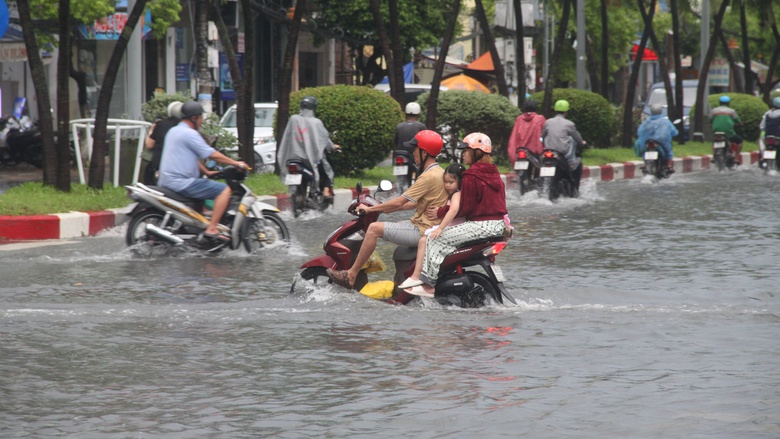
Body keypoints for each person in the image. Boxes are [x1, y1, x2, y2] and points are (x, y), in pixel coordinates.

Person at [326, 130, 449, 289]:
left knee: (373, 229)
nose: (413, 153)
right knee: (394, 224)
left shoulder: (428, 176)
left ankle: (351, 275)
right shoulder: (439, 172)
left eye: (415, 149)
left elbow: (400, 201)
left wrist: (371, 210)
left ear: (424, 152)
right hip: (426, 227)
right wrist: (385, 209)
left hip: (422, 230)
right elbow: (415, 203)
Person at [404, 132, 508, 297]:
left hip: (480, 226)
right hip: (497, 226)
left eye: (466, 150)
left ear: (477, 152)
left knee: (434, 239)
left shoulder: (471, 175)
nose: (463, 154)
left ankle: (428, 285)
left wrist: (440, 211)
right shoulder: (494, 173)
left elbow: (463, 208)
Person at [158, 101, 248, 242]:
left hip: (166, 180)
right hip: (182, 182)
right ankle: (212, 228)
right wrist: (236, 163)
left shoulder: (174, 131)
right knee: (224, 190)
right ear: (194, 118)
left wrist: (207, 171)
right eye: (200, 118)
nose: (201, 121)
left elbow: (190, 156)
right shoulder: (190, 134)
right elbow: (212, 154)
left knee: (205, 188)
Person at [398, 163, 464, 290]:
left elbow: (453, 210)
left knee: (424, 240)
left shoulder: (457, 194)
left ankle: (416, 276)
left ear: (460, 181)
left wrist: (440, 228)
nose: (447, 185)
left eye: (451, 182)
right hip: (452, 227)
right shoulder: (455, 194)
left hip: (452, 228)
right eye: (446, 182)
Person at [277, 96, 340, 198]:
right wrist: (332, 147)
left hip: (292, 158)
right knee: (327, 168)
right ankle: (326, 190)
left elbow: (287, 137)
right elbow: (324, 139)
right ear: (314, 108)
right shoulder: (316, 122)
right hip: (309, 159)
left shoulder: (293, 119)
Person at [542, 100, 586, 191]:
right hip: (562, 154)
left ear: (555, 110)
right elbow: (577, 139)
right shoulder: (569, 124)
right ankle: (574, 191)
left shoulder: (548, 122)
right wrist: (582, 143)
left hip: (548, 152)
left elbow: (542, 136)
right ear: (566, 111)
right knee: (575, 164)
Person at [143, 101, 183, 185]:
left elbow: (149, 145)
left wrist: (151, 130)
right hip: (180, 168)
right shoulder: (187, 126)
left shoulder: (161, 124)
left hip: (158, 166)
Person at [635, 103, 678, 172]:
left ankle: (645, 164)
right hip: (661, 142)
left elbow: (639, 132)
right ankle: (669, 166)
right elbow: (674, 132)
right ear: (661, 111)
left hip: (647, 142)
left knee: (644, 150)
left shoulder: (646, 121)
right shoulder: (665, 121)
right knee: (669, 152)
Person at [507, 99, 546, 167]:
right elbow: (545, 133)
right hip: (536, 151)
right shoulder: (540, 119)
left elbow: (514, 137)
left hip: (520, 150)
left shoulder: (519, 119)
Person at [709, 95, 743, 165]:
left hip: (717, 132)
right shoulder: (732, 111)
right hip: (729, 133)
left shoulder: (714, 111)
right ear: (728, 103)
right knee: (740, 142)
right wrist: (739, 124)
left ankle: (713, 156)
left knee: (714, 143)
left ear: (719, 102)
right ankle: (736, 158)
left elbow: (710, 121)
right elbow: (738, 121)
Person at [759, 97, 780, 166]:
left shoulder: (767, 113)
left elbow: (761, 126)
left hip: (767, 137)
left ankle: (763, 158)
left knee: (762, 143)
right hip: (778, 137)